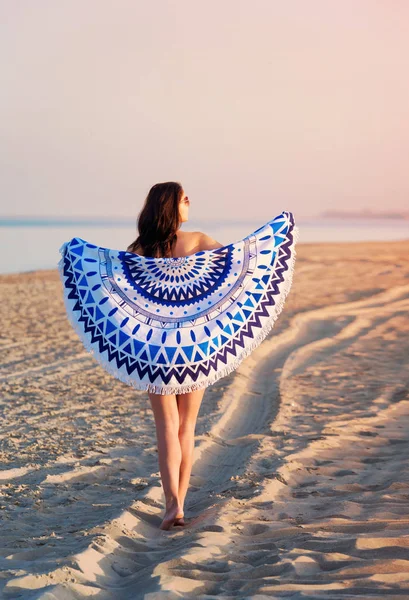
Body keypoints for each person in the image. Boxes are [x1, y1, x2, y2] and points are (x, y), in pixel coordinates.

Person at [126, 181, 224, 530]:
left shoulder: (139, 249)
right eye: (185, 198)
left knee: (166, 427)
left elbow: (122, 296)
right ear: (172, 206)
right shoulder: (198, 241)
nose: (190, 202)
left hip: (154, 348)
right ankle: (179, 505)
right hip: (194, 346)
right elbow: (236, 267)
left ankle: (172, 507)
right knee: (187, 427)